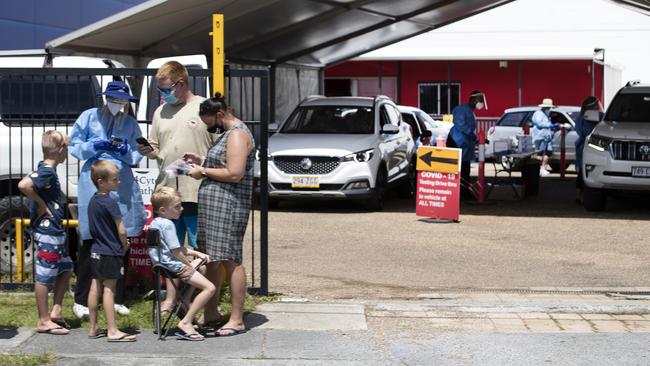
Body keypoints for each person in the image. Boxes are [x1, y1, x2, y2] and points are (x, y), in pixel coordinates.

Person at [137, 61, 213, 317]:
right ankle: (172, 299)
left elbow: (218, 146)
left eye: (167, 88)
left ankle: (201, 301)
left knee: (200, 250)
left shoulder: (204, 106)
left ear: (181, 83)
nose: (164, 94)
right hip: (168, 191)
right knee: (171, 251)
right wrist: (148, 150)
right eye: (161, 89)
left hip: (196, 191)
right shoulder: (160, 111)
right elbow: (157, 146)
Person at [69, 80, 144, 319]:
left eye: (122, 101)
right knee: (91, 239)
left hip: (120, 182)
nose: (118, 104)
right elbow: (75, 147)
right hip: (94, 181)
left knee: (122, 239)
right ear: (106, 98)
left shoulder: (130, 123)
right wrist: (95, 145)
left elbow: (136, 154)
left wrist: (126, 151)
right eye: (114, 99)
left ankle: (118, 296)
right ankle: (82, 298)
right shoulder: (88, 117)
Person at [185, 93, 255, 336]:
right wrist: (202, 160)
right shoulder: (228, 134)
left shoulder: (236, 134)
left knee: (230, 260)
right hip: (216, 205)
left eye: (209, 122)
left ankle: (236, 319)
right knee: (212, 257)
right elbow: (225, 162)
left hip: (228, 205)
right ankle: (212, 312)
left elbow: (235, 173)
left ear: (220, 114)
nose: (208, 127)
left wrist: (202, 170)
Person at [18, 131, 73, 335]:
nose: (67, 152)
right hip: (48, 230)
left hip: (56, 230)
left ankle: (55, 311)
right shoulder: (47, 172)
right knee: (45, 275)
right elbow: (24, 185)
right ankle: (43, 320)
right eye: (66, 148)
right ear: (60, 151)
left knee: (66, 267)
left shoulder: (45, 168)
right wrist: (41, 204)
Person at [148, 187, 215, 341]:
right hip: (174, 266)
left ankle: (183, 302)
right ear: (164, 210)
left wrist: (196, 253)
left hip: (161, 265)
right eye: (177, 207)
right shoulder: (168, 225)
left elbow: (174, 248)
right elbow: (176, 252)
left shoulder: (156, 223)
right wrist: (189, 266)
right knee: (210, 288)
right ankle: (186, 321)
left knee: (202, 266)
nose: (181, 209)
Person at [86, 160, 136, 342]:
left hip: (96, 250)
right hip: (110, 251)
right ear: (101, 181)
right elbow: (121, 229)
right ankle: (113, 330)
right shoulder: (110, 202)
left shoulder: (93, 200)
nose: (118, 182)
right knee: (109, 290)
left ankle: (93, 327)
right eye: (114, 180)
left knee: (95, 288)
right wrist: (124, 244)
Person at [446, 91, 486, 200]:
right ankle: (458, 194)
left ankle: (464, 193)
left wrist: (474, 138)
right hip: (456, 142)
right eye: (480, 100)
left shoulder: (470, 111)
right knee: (459, 169)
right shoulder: (461, 109)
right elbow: (461, 125)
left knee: (465, 168)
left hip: (464, 143)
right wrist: (473, 136)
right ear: (474, 100)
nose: (482, 103)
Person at [574, 96, 603, 203]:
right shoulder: (599, 117)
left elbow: (579, 131)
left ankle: (578, 195)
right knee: (587, 171)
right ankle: (582, 195)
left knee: (581, 172)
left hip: (582, 146)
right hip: (590, 146)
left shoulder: (580, 117)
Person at [531, 98, 560, 177]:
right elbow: (539, 123)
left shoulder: (546, 115)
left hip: (547, 138)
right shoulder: (538, 113)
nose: (549, 109)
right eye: (548, 108)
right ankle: (539, 169)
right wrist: (550, 125)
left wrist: (553, 127)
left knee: (548, 153)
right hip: (540, 137)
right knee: (539, 154)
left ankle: (542, 168)